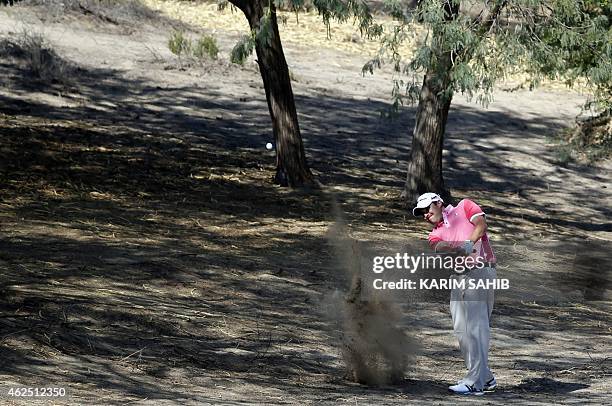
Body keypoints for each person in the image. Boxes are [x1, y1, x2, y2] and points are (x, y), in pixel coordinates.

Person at [413, 192, 497, 396]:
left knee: (476, 328)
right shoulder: (434, 233)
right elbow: (439, 246)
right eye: (421, 212)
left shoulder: (465, 206)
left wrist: (468, 244)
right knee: (461, 330)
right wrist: (454, 248)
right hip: (458, 277)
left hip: (480, 271)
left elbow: (481, 226)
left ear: (439, 203)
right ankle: (485, 378)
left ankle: (474, 383)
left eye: (427, 208)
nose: (425, 214)